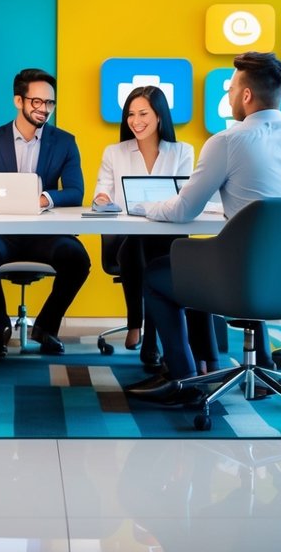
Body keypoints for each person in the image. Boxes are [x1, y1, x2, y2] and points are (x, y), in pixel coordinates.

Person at [126, 51, 281, 405]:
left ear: (246, 96)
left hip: (242, 281)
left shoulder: (229, 141)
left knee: (156, 273)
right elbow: (280, 203)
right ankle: (262, 369)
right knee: (241, 253)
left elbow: (184, 208)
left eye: (231, 89)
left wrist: (143, 205)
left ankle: (185, 378)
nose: (229, 95)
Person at [92, 86, 219, 373]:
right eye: (131, 114)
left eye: (143, 113)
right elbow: (102, 191)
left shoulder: (182, 151)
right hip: (129, 235)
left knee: (158, 251)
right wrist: (101, 198)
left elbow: (184, 196)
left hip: (169, 233)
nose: (135, 121)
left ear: (160, 116)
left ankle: (147, 332)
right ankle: (145, 330)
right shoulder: (115, 152)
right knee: (138, 247)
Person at [0, 68, 90, 358]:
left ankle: (46, 326)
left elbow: (75, 191)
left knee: (77, 258)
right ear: (18, 101)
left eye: (49, 103)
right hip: (0, 234)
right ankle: (0, 327)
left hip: (45, 234)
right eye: (37, 102)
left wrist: (45, 198)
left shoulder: (64, 142)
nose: (44, 109)